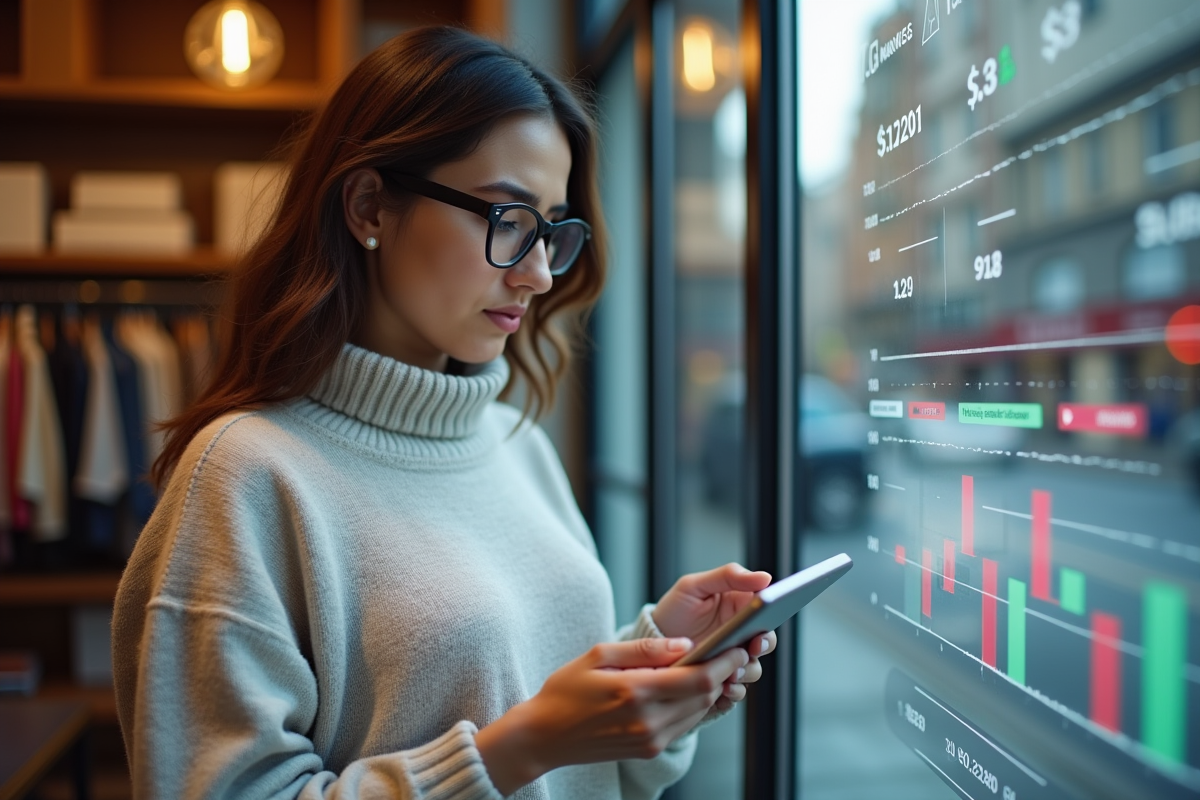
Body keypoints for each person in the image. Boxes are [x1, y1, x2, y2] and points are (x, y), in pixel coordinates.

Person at [112, 26, 777, 799]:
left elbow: (577, 752)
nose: (535, 274)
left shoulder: (516, 441)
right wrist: (519, 749)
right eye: (506, 219)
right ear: (370, 205)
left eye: (551, 231)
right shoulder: (245, 474)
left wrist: (654, 665)